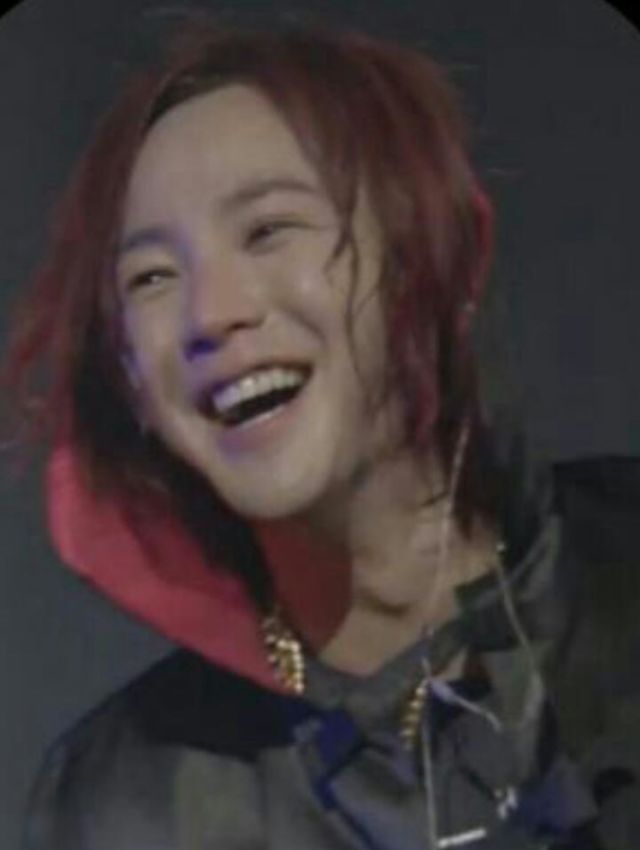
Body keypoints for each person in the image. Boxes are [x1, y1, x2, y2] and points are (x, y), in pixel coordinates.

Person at [3, 19, 639, 850]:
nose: (210, 313)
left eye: (269, 229)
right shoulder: (124, 804)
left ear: (430, 254)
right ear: (129, 379)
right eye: (151, 276)